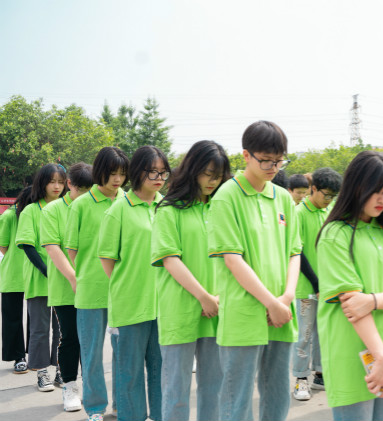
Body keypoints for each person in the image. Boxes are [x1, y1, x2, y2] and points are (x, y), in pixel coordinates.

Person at [206, 121, 301, 421]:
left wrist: (285, 297)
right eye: (266, 160)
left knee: (277, 393)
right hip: (244, 314)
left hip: (282, 311)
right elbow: (233, 260)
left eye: (279, 160)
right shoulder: (226, 197)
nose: (273, 167)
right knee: (237, 397)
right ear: (245, 155)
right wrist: (270, 302)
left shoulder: (283, 197)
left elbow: (294, 252)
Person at [316, 150, 383, 421]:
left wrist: (371, 301)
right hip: (353, 348)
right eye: (376, 191)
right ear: (357, 186)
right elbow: (351, 305)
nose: (382, 200)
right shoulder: (335, 235)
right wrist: (379, 355)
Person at [151, 140, 231, 421]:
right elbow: (170, 259)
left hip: (219, 311)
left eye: (219, 176)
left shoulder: (221, 208)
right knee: (176, 391)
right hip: (180, 312)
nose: (213, 181)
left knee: (215, 389)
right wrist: (204, 297)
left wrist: (216, 299)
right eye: (208, 173)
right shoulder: (169, 209)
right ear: (193, 169)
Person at [99, 146, 170, 421]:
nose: (159, 177)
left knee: (161, 371)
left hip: (163, 305)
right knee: (129, 375)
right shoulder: (119, 210)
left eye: (163, 172)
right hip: (130, 306)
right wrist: (128, 286)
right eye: (153, 171)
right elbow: (107, 261)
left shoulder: (167, 205)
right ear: (137, 172)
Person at [66, 146, 128, 421]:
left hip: (123, 291)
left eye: (122, 174)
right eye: (112, 173)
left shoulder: (128, 200)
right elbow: (73, 250)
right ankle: (94, 408)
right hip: (91, 290)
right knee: (91, 355)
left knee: (122, 354)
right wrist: (81, 278)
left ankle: (120, 406)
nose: (117, 180)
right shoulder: (80, 204)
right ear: (99, 172)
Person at [41, 163, 93, 412]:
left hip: (96, 286)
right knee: (70, 337)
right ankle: (70, 387)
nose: (84, 194)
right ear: (70, 184)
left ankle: (93, 389)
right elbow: (53, 248)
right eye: (80, 188)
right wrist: (74, 279)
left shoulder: (98, 206)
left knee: (92, 341)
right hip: (66, 287)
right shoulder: (52, 210)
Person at [292, 167, 342, 400]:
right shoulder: (299, 213)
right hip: (306, 286)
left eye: (333, 196)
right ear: (313, 189)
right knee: (305, 334)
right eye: (326, 194)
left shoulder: (329, 211)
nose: (329, 200)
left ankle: (321, 374)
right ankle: (301, 379)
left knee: (324, 332)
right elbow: (297, 252)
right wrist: (316, 283)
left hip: (328, 286)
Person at [16, 164, 66, 392]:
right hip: (40, 278)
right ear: (42, 183)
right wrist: (47, 269)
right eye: (52, 181)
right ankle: (42, 373)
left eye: (61, 181)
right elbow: (27, 245)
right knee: (39, 329)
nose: (57, 186)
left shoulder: (67, 208)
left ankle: (60, 372)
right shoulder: (31, 210)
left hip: (63, 278)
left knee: (61, 329)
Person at [0, 187, 33, 375]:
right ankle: (18, 357)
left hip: (32, 273)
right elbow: (3, 245)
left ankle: (31, 356)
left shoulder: (38, 213)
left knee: (34, 318)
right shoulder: (9, 216)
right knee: (13, 317)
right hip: (13, 274)